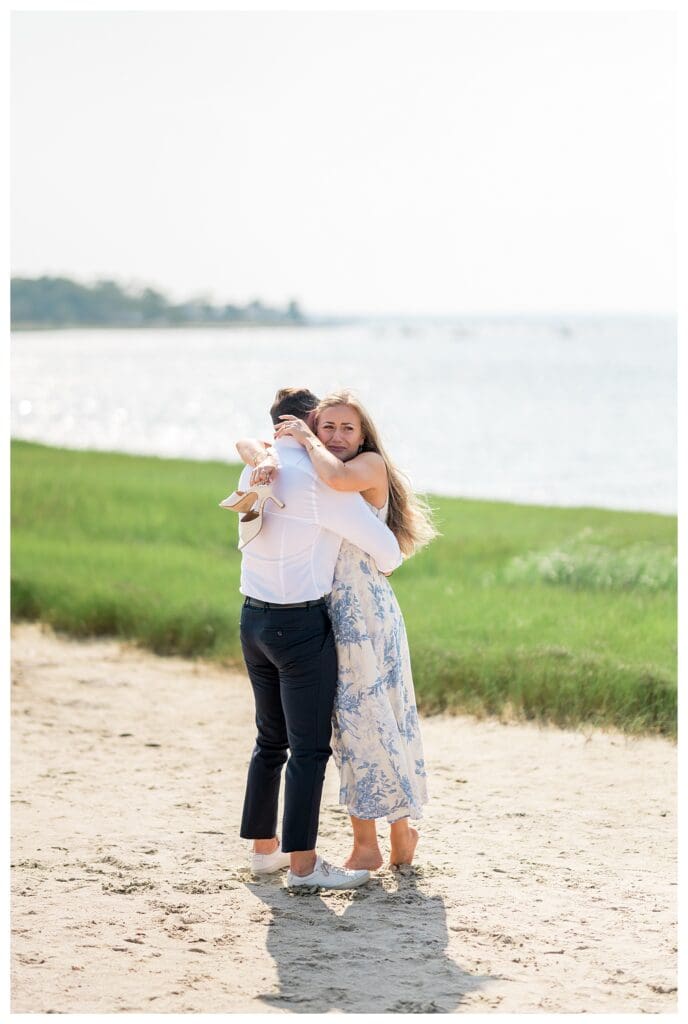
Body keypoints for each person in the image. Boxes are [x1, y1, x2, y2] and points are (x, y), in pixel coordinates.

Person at [237, 389, 437, 870]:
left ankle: (399, 829)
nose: (336, 435)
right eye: (328, 426)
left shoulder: (360, 468)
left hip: (366, 611)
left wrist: (300, 440)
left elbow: (336, 478)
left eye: (347, 427)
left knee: (379, 718)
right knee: (348, 723)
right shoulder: (315, 469)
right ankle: (369, 842)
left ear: (365, 434)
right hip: (328, 609)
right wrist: (267, 450)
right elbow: (250, 443)